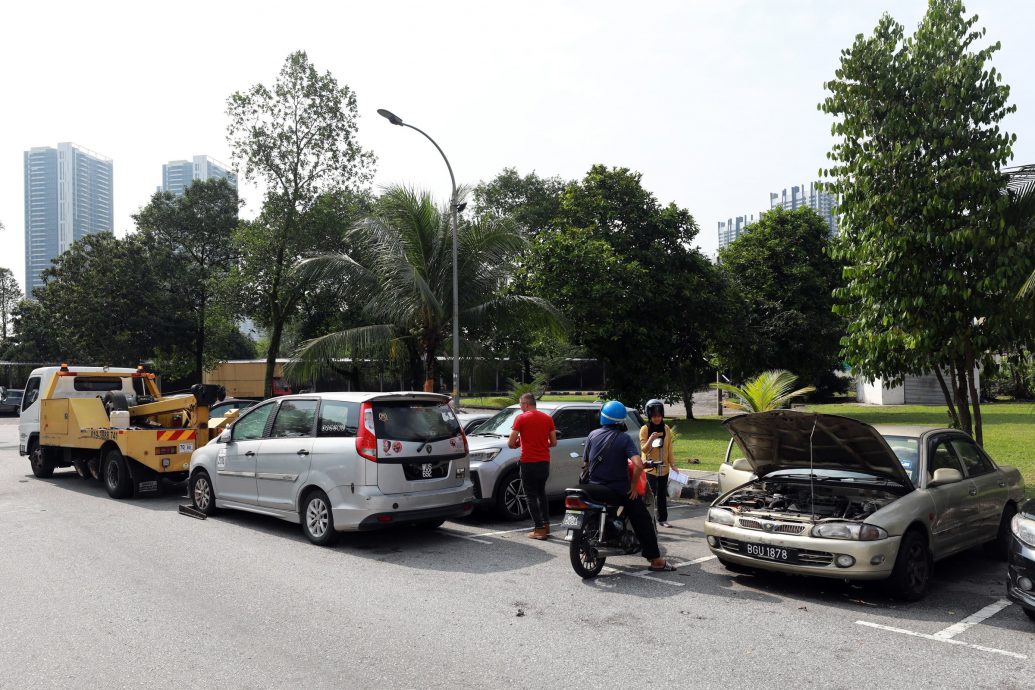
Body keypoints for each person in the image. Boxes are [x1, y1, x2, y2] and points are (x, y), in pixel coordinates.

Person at [584, 400, 673, 571]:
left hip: (593, 487)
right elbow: (639, 464)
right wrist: (632, 487)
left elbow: (586, 462)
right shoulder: (623, 438)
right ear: (620, 421)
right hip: (616, 489)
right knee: (642, 519)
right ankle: (655, 560)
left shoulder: (592, 435)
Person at [508, 392, 557, 540]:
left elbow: (511, 443)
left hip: (528, 462)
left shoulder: (521, 418)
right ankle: (546, 525)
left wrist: (518, 443)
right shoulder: (547, 418)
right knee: (541, 493)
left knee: (530, 496)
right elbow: (554, 442)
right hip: (544, 462)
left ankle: (539, 529)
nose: (520, 407)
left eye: (520, 404)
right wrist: (542, 444)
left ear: (525, 404)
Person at [640, 398, 676, 528]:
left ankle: (663, 519)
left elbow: (669, 448)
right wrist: (650, 439)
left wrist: (673, 465)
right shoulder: (645, 429)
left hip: (664, 468)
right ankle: (649, 520)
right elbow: (644, 449)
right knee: (650, 497)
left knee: (662, 495)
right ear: (649, 416)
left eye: (659, 416)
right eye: (654, 416)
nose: (657, 419)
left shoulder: (666, 428)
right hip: (650, 468)